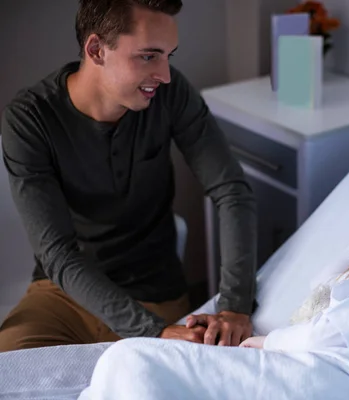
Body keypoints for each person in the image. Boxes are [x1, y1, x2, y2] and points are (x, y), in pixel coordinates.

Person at [78, 153, 349, 400]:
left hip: (337, 378)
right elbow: (328, 290)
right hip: (343, 381)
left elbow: (333, 329)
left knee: (131, 360)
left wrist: (266, 345)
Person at [0, 0, 257, 352]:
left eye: (169, 56)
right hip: (61, 296)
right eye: (149, 56)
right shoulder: (30, 119)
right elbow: (57, 253)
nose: (165, 74)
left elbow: (230, 189)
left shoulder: (171, 93)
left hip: (155, 294)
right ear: (96, 50)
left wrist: (235, 305)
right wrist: (150, 332)